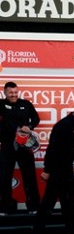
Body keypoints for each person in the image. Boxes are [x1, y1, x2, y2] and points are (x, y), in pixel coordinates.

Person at [31, 102, 74, 234]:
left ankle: (72, 232)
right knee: (48, 204)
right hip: (56, 172)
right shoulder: (63, 126)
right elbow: (52, 149)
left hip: (66, 171)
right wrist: (47, 170)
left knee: (69, 203)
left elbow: (69, 149)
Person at [0, 81, 41, 214]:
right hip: (7, 146)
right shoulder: (0, 104)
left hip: (24, 145)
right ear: (5, 92)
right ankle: (5, 208)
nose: (14, 95)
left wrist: (29, 127)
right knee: (4, 177)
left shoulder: (26, 104)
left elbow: (36, 118)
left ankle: (34, 207)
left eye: (16, 92)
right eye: (11, 93)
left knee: (29, 176)